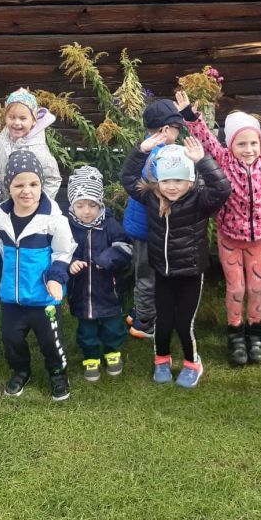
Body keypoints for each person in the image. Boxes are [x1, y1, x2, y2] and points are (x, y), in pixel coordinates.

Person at [176, 74, 261, 365]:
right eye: (241, 144)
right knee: (237, 288)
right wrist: (189, 115)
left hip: (258, 240)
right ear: (230, 146)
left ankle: (254, 333)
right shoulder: (224, 160)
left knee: (257, 288)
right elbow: (205, 138)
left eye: (253, 143)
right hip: (229, 238)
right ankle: (235, 334)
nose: (249, 149)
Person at [0, 151, 76, 401]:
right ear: (9, 187)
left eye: (33, 184)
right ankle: (20, 371)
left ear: (41, 185)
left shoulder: (53, 219)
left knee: (51, 342)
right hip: (11, 298)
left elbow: (63, 253)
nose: (27, 191)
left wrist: (56, 278)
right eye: (19, 185)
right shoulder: (0, 216)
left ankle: (58, 374)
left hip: (44, 298)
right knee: (11, 340)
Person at [121, 136, 231, 388]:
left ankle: (193, 363)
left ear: (190, 180)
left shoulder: (200, 201)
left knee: (183, 324)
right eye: (166, 180)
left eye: (179, 180)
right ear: (157, 181)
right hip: (162, 274)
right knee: (163, 322)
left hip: (190, 275)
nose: (172, 187)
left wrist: (202, 161)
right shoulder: (151, 198)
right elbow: (128, 178)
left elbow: (222, 189)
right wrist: (141, 150)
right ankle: (162, 360)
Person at [122, 99, 185, 340]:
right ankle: (145, 322)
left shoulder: (147, 150)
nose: (179, 134)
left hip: (141, 227)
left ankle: (140, 310)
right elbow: (170, 192)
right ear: (165, 129)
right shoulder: (162, 157)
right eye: (177, 128)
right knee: (149, 276)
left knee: (143, 271)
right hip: (151, 228)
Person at [66, 165, 133, 381]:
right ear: (72, 204)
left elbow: (125, 247)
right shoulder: (67, 227)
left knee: (113, 326)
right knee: (86, 330)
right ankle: (91, 357)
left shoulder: (110, 224)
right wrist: (71, 263)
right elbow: (60, 252)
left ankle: (112, 352)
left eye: (92, 205)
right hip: (81, 293)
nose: (87, 211)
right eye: (80, 205)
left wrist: (107, 258)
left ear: (100, 204)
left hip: (109, 290)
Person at [0, 88, 62, 201]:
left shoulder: (38, 149)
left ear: (33, 120)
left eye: (23, 118)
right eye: (12, 117)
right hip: (4, 204)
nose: (17, 122)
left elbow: (53, 179)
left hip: (28, 206)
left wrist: (40, 204)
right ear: (5, 117)